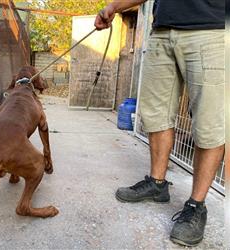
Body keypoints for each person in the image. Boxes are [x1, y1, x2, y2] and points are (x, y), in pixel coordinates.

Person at [95, 0, 225, 247]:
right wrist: (113, 7)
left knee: (209, 124)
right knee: (155, 115)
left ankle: (196, 206)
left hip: (212, 31)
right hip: (162, 31)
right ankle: (157, 184)